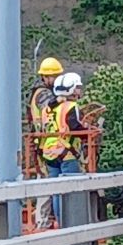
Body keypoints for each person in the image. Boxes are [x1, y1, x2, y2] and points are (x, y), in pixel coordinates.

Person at [41, 72, 87, 224]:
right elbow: (74, 127)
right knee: (71, 189)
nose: (79, 90)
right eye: (77, 87)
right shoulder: (71, 106)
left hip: (49, 152)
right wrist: (88, 131)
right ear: (71, 89)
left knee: (56, 191)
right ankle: (72, 223)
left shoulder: (48, 108)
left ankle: (61, 222)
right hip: (66, 152)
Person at [27, 56, 63, 230]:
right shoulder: (42, 93)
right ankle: (42, 221)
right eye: (54, 76)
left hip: (45, 141)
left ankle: (44, 219)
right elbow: (50, 107)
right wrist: (64, 99)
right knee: (46, 180)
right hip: (43, 141)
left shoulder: (42, 91)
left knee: (47, 179)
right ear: (45, 77)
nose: (56, 79)